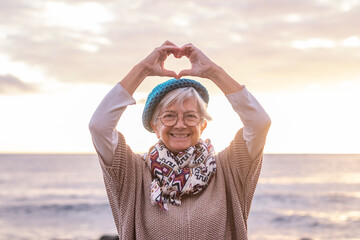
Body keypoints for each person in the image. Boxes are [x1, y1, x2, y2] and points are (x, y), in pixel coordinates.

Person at [89, 41, 271, 239]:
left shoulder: (229, 169)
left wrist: (213, 72)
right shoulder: (132, 173)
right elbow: (99, 126)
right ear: (155, 126)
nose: (180, 124)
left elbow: (259, 123)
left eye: (191, 116)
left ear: (203, 125)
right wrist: (142, 70)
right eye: (169, 115)